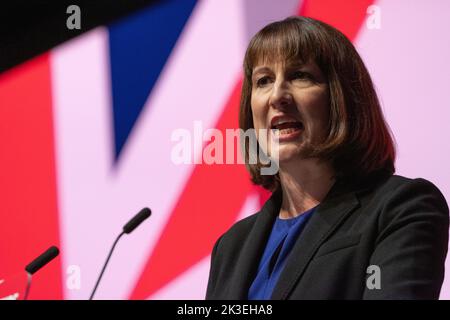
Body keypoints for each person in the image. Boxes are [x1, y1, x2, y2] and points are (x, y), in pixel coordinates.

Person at [205, 16, 449, 300]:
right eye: (264, 80)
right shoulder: (231, 246)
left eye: (300, 76)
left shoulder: (401, 208)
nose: (277, 96)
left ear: (342, 97)